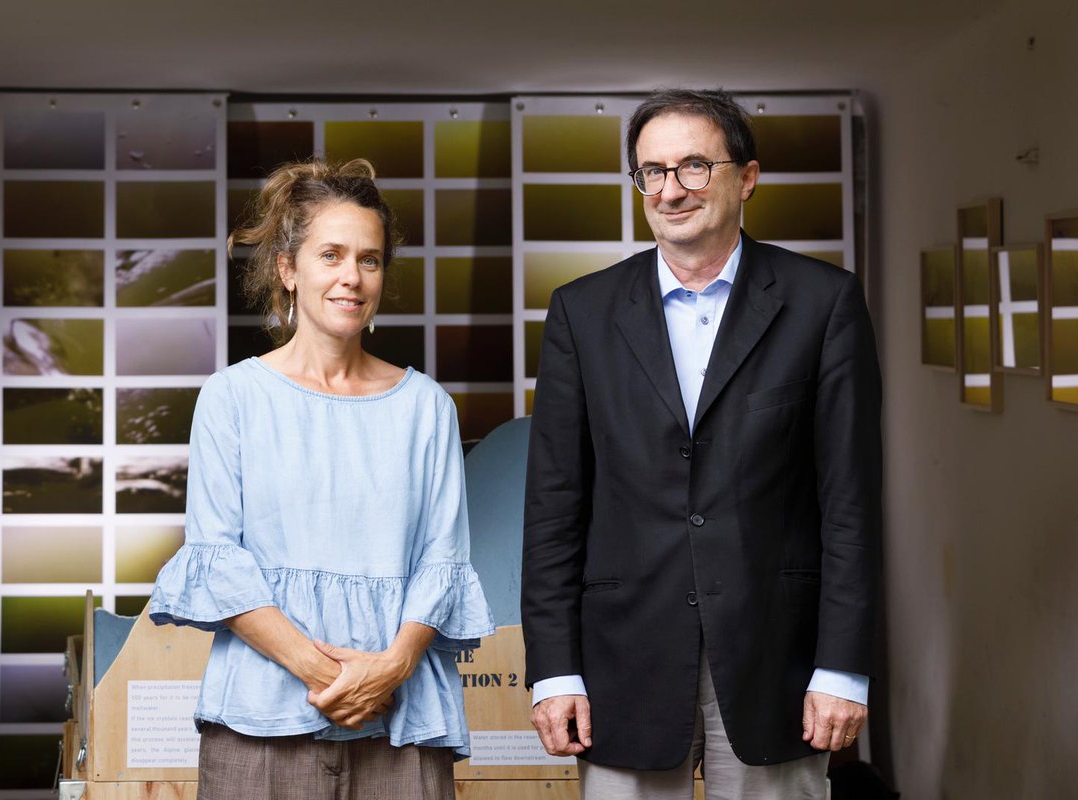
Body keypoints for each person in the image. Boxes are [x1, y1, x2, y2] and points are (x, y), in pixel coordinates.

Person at [521, 89, 882, 800]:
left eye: (693, 166)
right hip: (621, 658)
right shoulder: (581, 311)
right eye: (652, 171)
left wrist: (843, 668)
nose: (670, 190)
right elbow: (554, 506)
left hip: (777, 659)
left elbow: (851, 503)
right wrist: (553, 669)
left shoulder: (823, 303)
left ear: (746, 178)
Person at [149, 158, 494, 800]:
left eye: (369, 259)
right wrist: (327, 675)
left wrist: (390, 670)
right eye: (330, 255)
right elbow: (218, 559)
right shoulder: (232, 397)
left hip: (401, 717)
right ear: (288, 269)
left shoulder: (427, 407)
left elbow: (443, 560)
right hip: (259, 721)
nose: (351, 277)